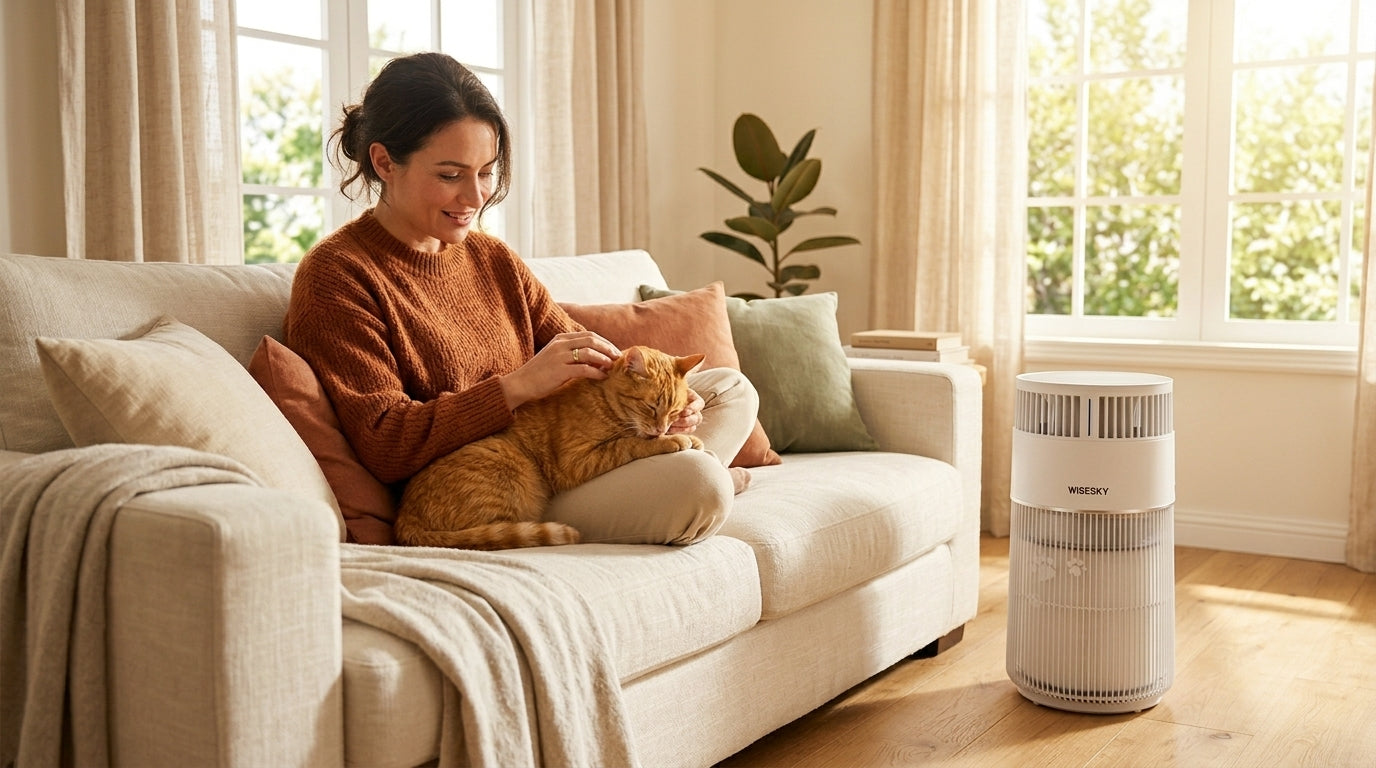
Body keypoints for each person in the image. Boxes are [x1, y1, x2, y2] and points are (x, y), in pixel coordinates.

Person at [284, 52, 758, 546]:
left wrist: (676, 404)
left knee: (729, 388)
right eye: (450, 175)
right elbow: (385, 443)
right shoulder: (337, 276)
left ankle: (686, 463)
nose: (475, 197)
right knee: (701, 489)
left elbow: (587, 361)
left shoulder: (491, 258)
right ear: (384, 162)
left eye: (486, 172)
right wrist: (516, 387)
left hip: (568, 454)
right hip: (497, 491)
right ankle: (700, 474)